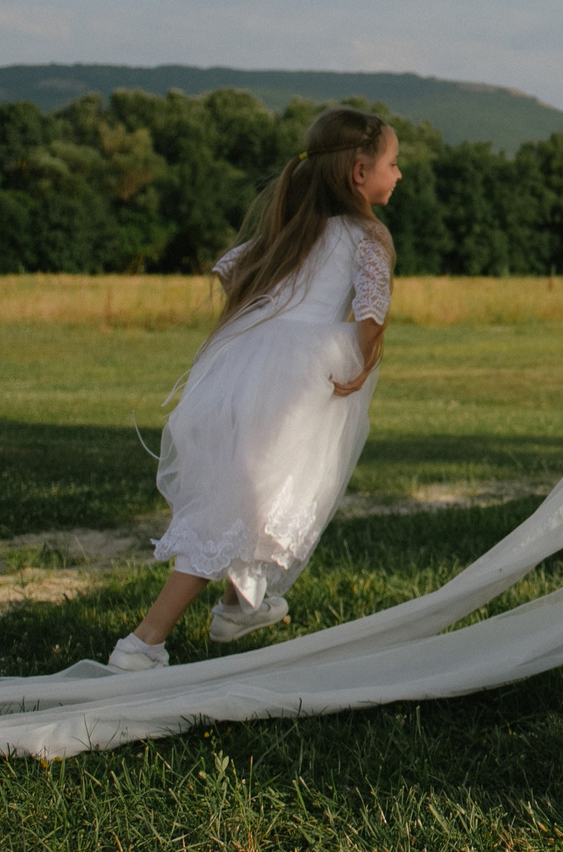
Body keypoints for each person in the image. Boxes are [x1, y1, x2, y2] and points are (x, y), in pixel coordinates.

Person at [108, 107, 403, 672]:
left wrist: (262, 330)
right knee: (242, 499)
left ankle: (237, 606)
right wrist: (362, 357)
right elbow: (371, 305)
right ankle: (143, 643)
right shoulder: (368, 234)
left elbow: (230, 268)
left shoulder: (291, 228)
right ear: (359, 173)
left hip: (248, 365)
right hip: (298, 376)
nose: (399, 174)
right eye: (394, 163)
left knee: (258, 489)